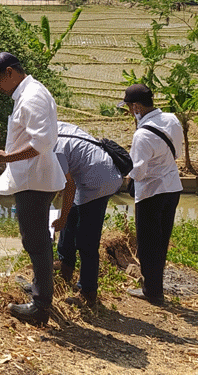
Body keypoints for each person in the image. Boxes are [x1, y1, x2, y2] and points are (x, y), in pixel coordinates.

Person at [0, 52, 66, 325]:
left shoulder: (32, 97)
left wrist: (6, 157)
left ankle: (40, 307)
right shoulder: (28, 94)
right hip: (31, 177)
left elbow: (41, 143)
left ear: (9, 72)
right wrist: (9, 155)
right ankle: (41, 289)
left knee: (36, 241)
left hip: (34, 180)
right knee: (36, 240)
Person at [119, 83, 182, 306]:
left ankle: (152, 291)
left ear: (136, 107)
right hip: (172, 188)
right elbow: (179, 152)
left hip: (151, 193)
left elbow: (139, 171)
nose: (128, 112)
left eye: (129, 108)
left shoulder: (142, 136)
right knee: (162, 240)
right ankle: (156, 288)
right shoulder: (172, 120)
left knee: (147, 243)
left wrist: (123, 173)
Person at [52, 121, 124, 306]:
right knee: (70, 224)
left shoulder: (55, 148)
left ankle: (88, 292)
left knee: (86, 240)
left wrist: (61, 217)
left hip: (99, 181)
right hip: (96, 173)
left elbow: (68, 187)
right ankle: (65, 269)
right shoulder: (59, 126)